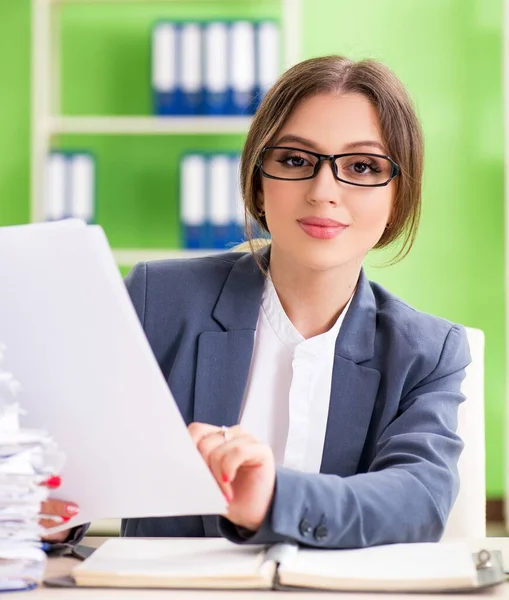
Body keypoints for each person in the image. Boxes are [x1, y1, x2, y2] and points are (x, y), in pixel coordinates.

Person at [40, 55, 470, 549]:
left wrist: (273, 498)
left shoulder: (430, 351)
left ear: (398, 195)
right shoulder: (157, 299)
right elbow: (70, 463)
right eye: (294, 160)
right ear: (258, 182)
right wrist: (48, 509)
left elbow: (418, 500)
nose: (323, 191)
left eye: (361, 166)